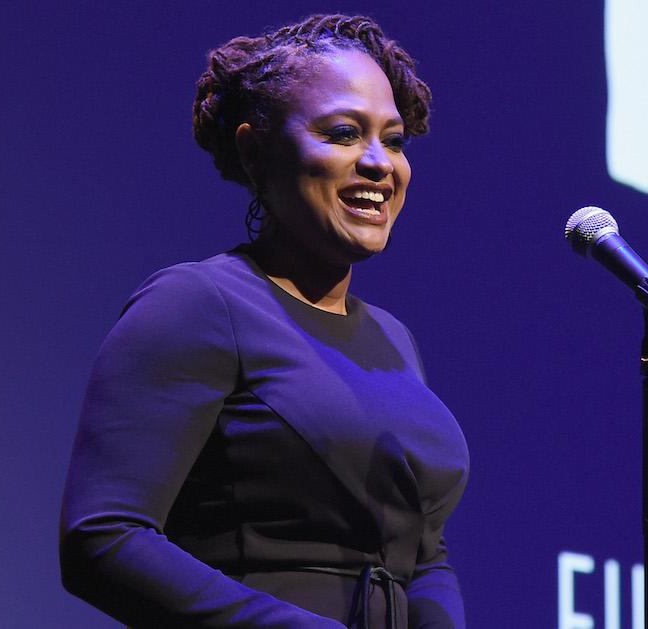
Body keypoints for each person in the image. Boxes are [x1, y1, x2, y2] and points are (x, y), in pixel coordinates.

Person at [59, 14, 468, 628]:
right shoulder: (200, 303)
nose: (381, 164)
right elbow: (103, 537)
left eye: (395, 140)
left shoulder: (393, 339)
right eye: (343, 133)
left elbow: (421, 550)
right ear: (255, 151)